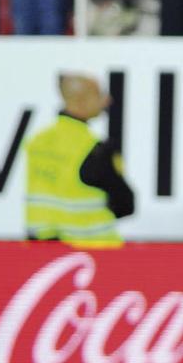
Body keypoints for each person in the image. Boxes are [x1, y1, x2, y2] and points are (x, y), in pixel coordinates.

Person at [24, 73, 134, 248]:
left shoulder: (37, 141)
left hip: (43, 251)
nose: (107, 101)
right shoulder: (95, 149)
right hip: (93, 252)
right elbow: (126, 204)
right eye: (100, 95)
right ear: (82, 100)